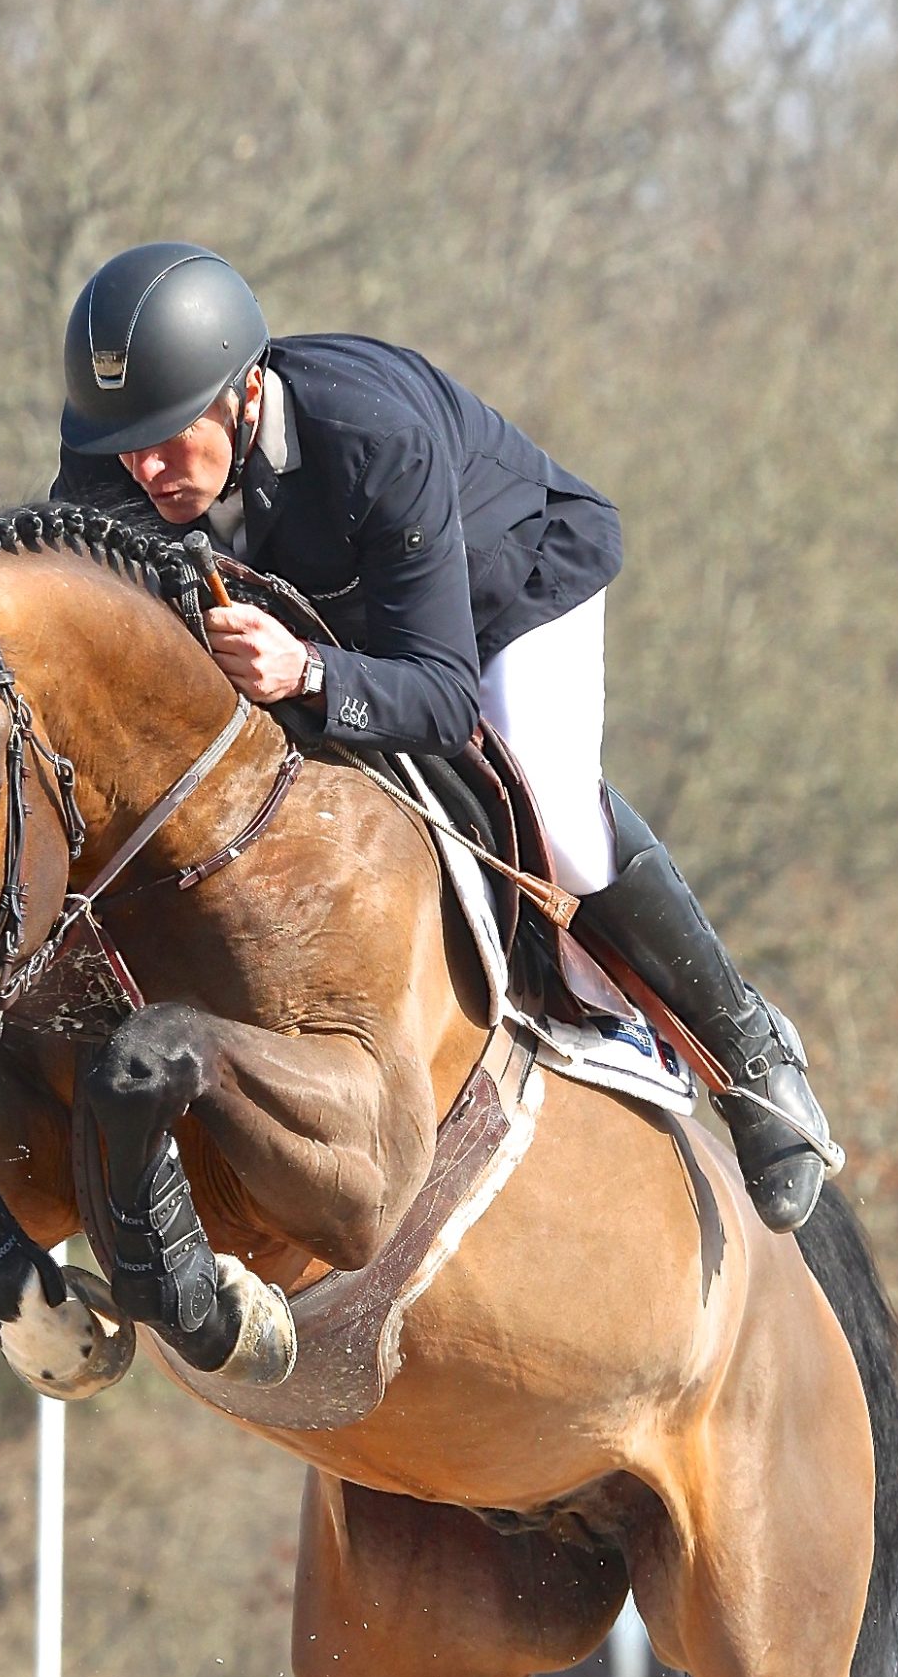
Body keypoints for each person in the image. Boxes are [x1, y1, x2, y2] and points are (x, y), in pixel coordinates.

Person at [52, 242, 837, 1231]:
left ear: (244, 392)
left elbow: (439, 694)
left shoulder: (371, 437)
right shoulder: (115, 456)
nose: (144, 468)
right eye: (125, 445)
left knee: (557, 812)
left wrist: (308, 673)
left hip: (505, 594)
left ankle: (753, 1056)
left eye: (169, 439)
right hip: (338, 618)